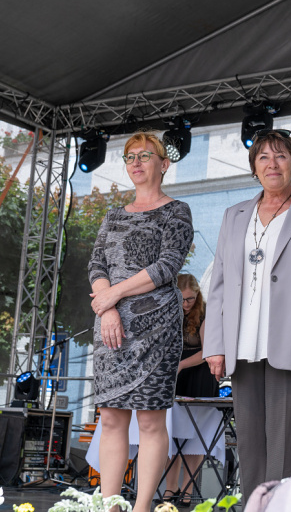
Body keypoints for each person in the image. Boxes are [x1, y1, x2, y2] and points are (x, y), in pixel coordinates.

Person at [203, 129, 291, 499]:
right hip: (242, 344)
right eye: (264, 157)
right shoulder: (234, 215)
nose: (272, 164)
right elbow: (218, 286)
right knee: (249, 446)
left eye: (281, 156)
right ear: (254, 167)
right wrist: (214, 345)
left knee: (283, 447)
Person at [89, 131, 193, 512]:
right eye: (130, 157)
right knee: (111, 420)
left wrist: (113, 295)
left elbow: (167, 266)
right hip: (110, 328)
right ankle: (111, 506)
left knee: (150, 422)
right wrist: (107, 308)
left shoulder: (177, 211)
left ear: (164, 165)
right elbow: (96, 265)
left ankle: (143, 506)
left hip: (156, 330)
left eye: (145, 156)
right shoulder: (113, 215)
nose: (136, 162)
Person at [163, 273, 218, 505]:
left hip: (199, 375)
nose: (186, 304)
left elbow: (208, 351)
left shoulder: (206, 313)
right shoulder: (168, 311)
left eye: (190, 299)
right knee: (172, 432)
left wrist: (181, 365)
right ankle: (171, 486)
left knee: (196, 435)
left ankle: (187, 488)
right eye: (182, 299)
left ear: (198, 295)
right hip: (176, 375)